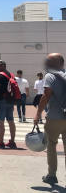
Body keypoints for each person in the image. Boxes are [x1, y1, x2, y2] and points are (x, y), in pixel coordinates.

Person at [34, 53, 66, 185]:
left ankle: (51, 175)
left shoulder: (50, 76)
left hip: (54, 118)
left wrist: (38, 113)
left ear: (58, 62)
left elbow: (46, 95)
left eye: (49, 61)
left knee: (51, 146)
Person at [0, 60, 17, 149]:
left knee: (0, 122)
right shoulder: (11, 75)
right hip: (10, 100)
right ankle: (12, 141)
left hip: (0, 100)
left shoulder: (0, 75)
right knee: (11, 121)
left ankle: (1, 141)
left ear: (2, 66)